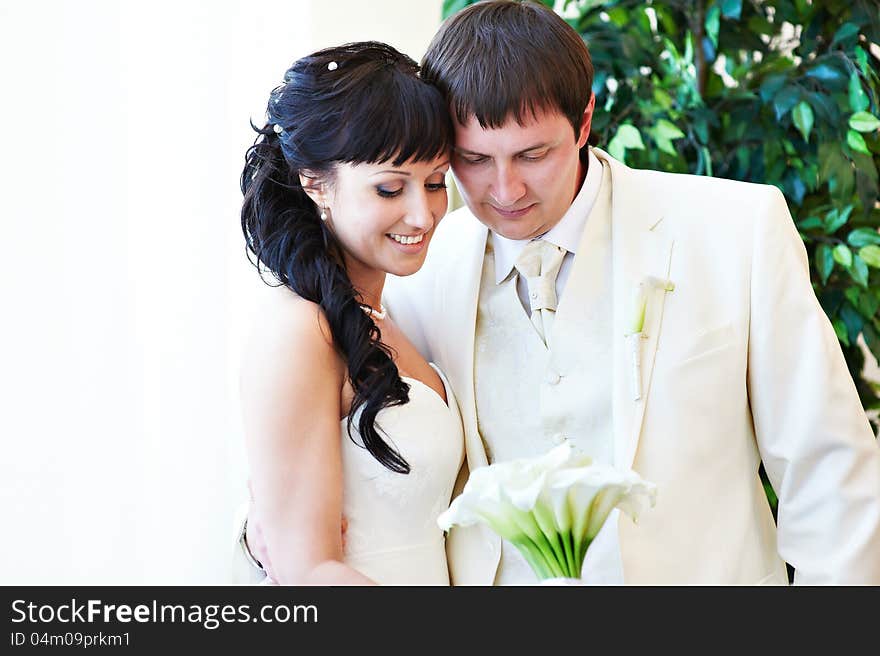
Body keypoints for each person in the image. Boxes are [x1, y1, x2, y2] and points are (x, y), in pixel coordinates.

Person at [239, 1, 880, 585]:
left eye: (532, 154)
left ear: (584, 122)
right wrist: (274, 535)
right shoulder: (420, 268)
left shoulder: (734, 230)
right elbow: (343, 453)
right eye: (471, 161)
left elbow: (831, 477)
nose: (504, 190)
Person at [236, 41, 463, 585]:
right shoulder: (300, 329)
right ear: (316, 183)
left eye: (435, 183)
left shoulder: (389, 316)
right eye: (390, 188)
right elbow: (309, 571)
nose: (423, 213)